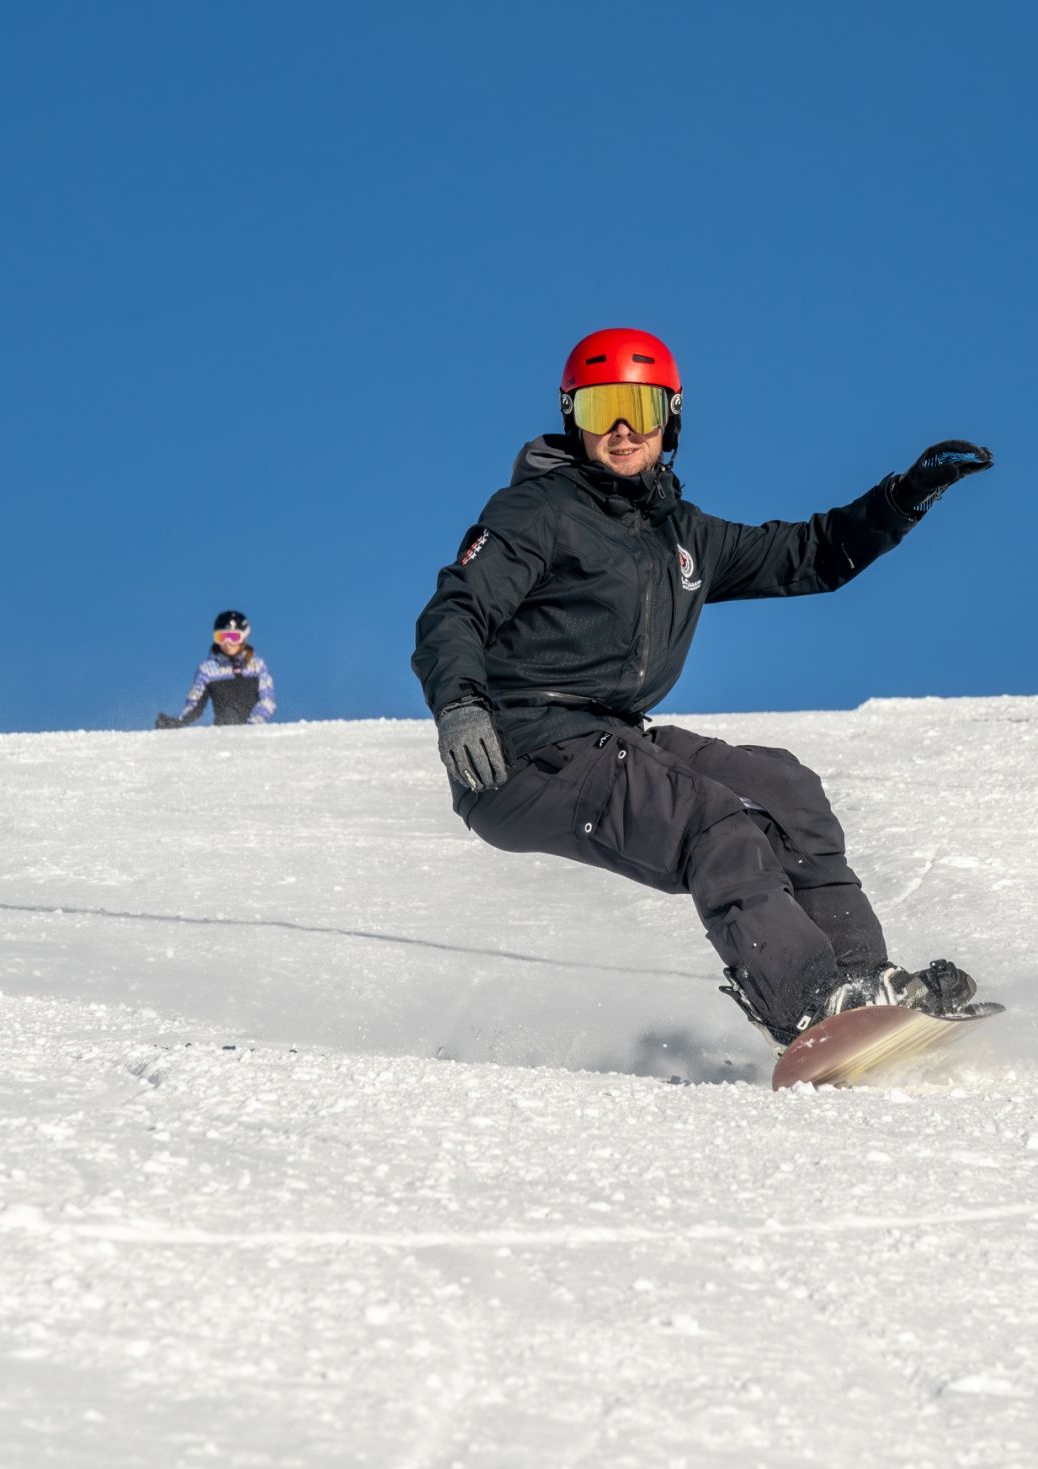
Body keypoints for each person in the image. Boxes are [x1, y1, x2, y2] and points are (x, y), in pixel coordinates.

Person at [412, 327, 993, 1050]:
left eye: (639, 407)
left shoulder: (682, 535)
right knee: (713, 820)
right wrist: (461, 704)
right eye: (599, 411)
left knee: (785, 790)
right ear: (572, 418)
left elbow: (812, 555)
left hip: (608, 735)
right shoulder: (538, 512)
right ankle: (809, 1003)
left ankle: (862, 984)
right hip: (521, 750)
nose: (621, 431)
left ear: (671, 415)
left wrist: (902, 499)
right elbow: (456, 608)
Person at [157, 611, 276, 728]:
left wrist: (253, 723)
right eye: (221, 637)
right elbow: (195, 705)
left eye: (233, 637)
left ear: (244, 637)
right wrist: (177, 722)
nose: (227, 643)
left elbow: (267, 699)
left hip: (253, 733)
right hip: (224, 734)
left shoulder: (256, 665)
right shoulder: (208, 670)